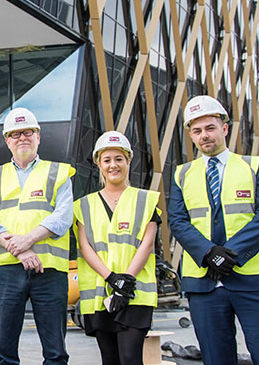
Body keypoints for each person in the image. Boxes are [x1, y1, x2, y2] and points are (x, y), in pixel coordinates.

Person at [168, 95, 259, 365]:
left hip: (255, 281)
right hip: (204, 285)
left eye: (210, 128)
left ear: (224, 128)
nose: (204, 136)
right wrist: (209, 253)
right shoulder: (181, 174)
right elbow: (178, 221)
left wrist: (229, 254)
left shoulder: (256, 166)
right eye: (197, 131)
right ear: (190, 134)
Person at [0, 107, 74, 365]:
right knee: (4, 349)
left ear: (38, 136)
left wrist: (28, 239)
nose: (22, 138)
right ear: (7, 140)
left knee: (55, 351)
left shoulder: (59, 172)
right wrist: (20, 249)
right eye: (15, 134)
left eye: (28, 132)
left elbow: (63, 217)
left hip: (50, 272)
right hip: (8, 270)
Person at [73, 131, 161, 365]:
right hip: (101, 293)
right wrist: (111, 278)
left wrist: (125, 283)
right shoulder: (84, 205)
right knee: (109, 359)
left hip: (136, 293)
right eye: (107, 160)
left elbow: (147, 243)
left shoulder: (146, 200)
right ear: (99, 165)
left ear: (128, 161)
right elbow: (85, 246)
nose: (113, 165)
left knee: (131, 359)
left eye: (119, 159)